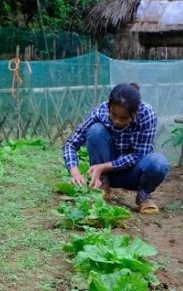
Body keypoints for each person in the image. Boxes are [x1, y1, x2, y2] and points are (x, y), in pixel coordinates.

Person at [63, 82, 169, 214]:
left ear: (135, 113)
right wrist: (75, 173)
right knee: (96, 130)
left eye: (124, 118)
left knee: (159, 163)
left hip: (134, 174)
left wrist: (103, 166)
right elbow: (71, 143)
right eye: (113, 115)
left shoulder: (147, 115)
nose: (117, 121)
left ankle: (143, 197)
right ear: (109, 107)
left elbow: (139, 155)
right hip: (107, 175)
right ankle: (102, 186)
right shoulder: (100, 111)